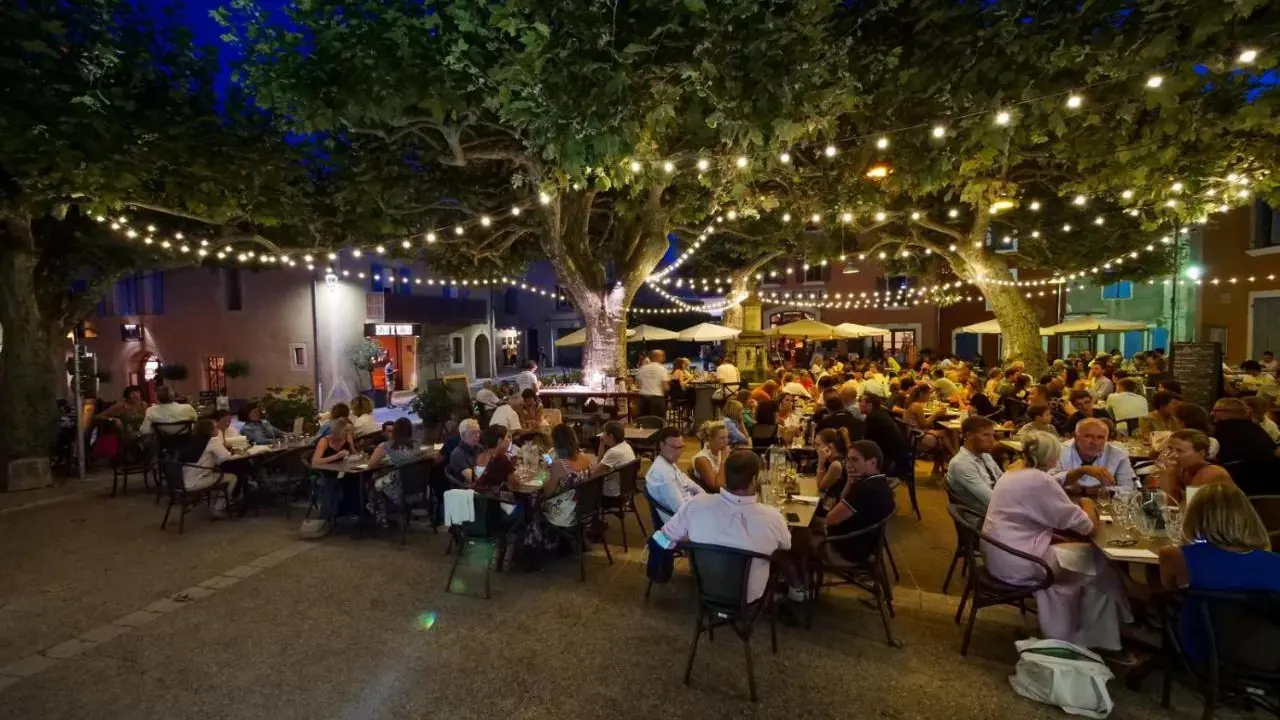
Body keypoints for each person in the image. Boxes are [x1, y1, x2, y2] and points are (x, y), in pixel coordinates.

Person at [983, 432, 1131, 652]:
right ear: (1051, 458)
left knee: (1088, 560)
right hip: (1021, 562)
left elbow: (1054, 481)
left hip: (1002, 553)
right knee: (1099, 563)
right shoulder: (1039, 481)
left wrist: (1081, 471)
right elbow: (1088, 527)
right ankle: (1101, 636)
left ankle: (1100, 627)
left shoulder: (1015, 470)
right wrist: (1087, 502)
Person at [1157, 483, 1280, 664]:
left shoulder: (1177, 556)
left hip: (1207, 651)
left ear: (1196, 517)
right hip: (1269, 656)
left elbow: (1168, 590)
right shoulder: (1275, 561)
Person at [656, 450, 792, 603]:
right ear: (755, 479)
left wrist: (685, 543)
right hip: (748, 597)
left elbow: (660, 539)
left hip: (705, 590)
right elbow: (786, 545)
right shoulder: (772, 517)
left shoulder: (696, 505)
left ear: (725, 476)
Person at [822, 440, 896, 564]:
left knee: (795, 537)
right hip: (864, 545)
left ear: (873, 462)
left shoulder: (865, 489)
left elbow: (830, 519)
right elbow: (841, 506)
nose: (848, 465)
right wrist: (850, 482)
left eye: (855, 460)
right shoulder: (881, 483)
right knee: (810, 525)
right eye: (848, 460)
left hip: (847, 551)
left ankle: (797, 582)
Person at [300, 417, 357, 538]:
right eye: (346, 431)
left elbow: (354, 454)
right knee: (332, 484)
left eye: (350, 431)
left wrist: (352, 448)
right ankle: (326, 518)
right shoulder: (325, 441)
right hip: (325, 472)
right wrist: (336, 456)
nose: (348, 434)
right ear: (338, 431)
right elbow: (315, 462)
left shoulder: (347, 438)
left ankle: (350, 512)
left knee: (356, 481)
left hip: (343, 470)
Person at [1053, 417, 1137, 490]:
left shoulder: (1118, 454)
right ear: (1075, 437)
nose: (1095, 442)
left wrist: (1101, 490)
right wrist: (1081, 471)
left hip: (1104, 504)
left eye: (1100, 437)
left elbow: (1130, 488)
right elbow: (1049, 482)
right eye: (1088, 436)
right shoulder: (1059, 451)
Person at [175, 418, 236, 518]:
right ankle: (218, 508)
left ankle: (211, 504)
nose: (217, 430)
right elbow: (226, 456)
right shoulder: (212, 441)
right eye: (215, 428)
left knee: (218, 475)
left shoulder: (193, 440)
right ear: (210, 430)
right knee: (232, 478)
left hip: (182, 480)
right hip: (197, 481)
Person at [945, 416, 1003, 516]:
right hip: (981, 518)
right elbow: (992, 500)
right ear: (969, 435)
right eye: (986, 435)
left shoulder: (985, 455)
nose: (992, 440)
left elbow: (1002, 480)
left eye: (993, 435)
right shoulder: (961, 464)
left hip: (994, 510)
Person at [1158, 429, 1235, 504]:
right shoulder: (1182, 469)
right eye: (1170, 448)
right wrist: (1165, 472)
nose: (1172, 455)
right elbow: (1170, 502)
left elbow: (1190, 508)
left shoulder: (1210, 472)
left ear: (1201, 453)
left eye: (1179, 450)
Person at [366, 417, 424, 516]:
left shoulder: (386, 445)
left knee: (371, 481)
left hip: (398, 485)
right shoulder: (416, 444)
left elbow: (371, 465)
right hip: (415, 486)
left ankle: (375, 509)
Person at [644, 426, 703, 521]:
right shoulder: (662, 473)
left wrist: (705, 498)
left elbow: (692, 485)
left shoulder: (667, 463)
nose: (678, 452)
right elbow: (680, 509)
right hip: (683, 524)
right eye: (674, 448)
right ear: (661, 445)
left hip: (690, 510)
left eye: (681, 447)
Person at [542, 425, 593, 528]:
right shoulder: (585, 458)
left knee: (534, 503)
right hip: (585, 509)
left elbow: (547, 493)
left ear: (555, 443)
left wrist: (547, 472)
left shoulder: (558, 466)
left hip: (567, 515)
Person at [1211, 398, 1279, 464]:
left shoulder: (1221, 428)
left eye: (1216, 410)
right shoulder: (1257, 429)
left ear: (1229, 412)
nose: (1211, 413)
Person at [903, 384, 956, 456]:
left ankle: (952, 456)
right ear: (922, 394)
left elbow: (922, 423)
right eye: (928, 394)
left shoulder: (910, 403)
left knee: (946, 434)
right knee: (948, 433)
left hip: (912, 434)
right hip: (917, 437)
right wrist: (935, 414)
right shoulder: (917, 406)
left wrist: (934, 416)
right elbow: (924, 424)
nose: (929, 396)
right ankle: (954, 455)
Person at [859, 393, 909, 470]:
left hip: (891, 459)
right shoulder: (879, 413)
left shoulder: (873, 418)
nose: (859, 404)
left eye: (861, 401)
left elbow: (868, 444)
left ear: (869, 405)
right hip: (899, 454)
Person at [591, 421, 636, 504]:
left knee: (582, 488)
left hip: (611, 495)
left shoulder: (613, 452)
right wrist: (602, 444)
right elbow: (600, 465)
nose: (602, 435)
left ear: (611, 436)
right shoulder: (626, 445)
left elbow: (594, 474)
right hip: (625, 491)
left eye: (604, 433)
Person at [813, 427, 850, 507]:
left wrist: (821, 462)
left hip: (833, 509)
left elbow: (821, 486)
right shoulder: (837, 459)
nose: (815, 447)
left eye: (818, 445)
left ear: (830, 447)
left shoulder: (836, 465)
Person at [691, 421, 730, 491]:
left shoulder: (721, 453)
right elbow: (718, 487)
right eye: (722, 438)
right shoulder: (701, 459)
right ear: (710, 438)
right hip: (711, 496)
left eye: (727, 437)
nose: (726, 441)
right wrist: (724, 460)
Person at [447, 418, 483, 485]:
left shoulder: (479, 447)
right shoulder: (457, 454)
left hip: (483, 483)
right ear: (463, 435)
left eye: (478, 432)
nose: (477, 436)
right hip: (468, 490)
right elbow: (472, 479)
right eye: (473, 433)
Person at [635, 349, 670, 418]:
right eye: (662, 356)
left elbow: (638, 385)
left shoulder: (642, 368)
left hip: (643, 399)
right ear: (656, 357)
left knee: (643, 423)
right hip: (657, 399)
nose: (663, 358)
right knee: (658, 423)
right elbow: (665, 387)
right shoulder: (662, 369)